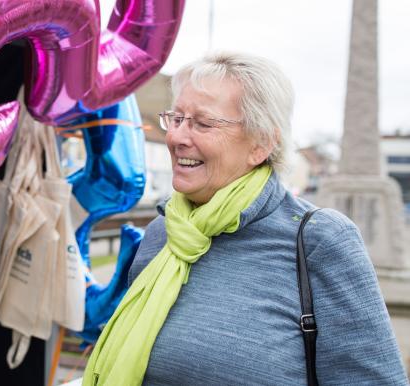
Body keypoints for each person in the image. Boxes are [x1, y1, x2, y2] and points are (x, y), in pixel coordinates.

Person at [82, 52, 409, 385]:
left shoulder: (319, 241)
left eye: (203, 123)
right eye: (176, 118)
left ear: (261, 144)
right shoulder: (162, 233)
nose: (178, 137)